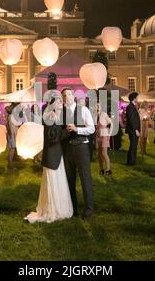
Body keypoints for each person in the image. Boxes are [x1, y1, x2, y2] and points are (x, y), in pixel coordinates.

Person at [25, 95, 73, 223]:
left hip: (56, 154)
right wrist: (67, 131)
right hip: (52, 155)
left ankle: (56, 207)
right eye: (57, 102)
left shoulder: (55, 116)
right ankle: (52, 209)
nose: (60, 104)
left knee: (57, 181)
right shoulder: (50, 116)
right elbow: (53, 138)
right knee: (52, 183)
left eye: (61, 102)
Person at [61, 88, 95, 220]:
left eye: (68, 94)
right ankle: (72, 209)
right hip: (67, 150)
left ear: (73, 96)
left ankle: (88, 209)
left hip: (81, 148)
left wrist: (77, 129)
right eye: (63, 95)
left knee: (85, 179)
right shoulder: (61, 113)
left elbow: (91, 128)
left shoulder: (83, 110)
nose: (66, 97)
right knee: (69, 180)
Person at [95, 100, 112, 176]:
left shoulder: (104, 114)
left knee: (104, 153)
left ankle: (108, 170)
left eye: (99, 106)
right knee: (98, 154)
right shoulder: (94, 115)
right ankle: (101, 169)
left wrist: (109, 135)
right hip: (97, 136)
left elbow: (111, 124)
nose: (97, 107)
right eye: (96, 106)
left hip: (104, 135)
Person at [125, 92, 140, 165]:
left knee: (134, 145)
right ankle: (131, 162)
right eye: (137, 97)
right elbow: (131, 119)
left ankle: (132, 160)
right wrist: (135, 129)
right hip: (133, 130)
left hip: (134, 129)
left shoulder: (133, 106)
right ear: (134, 98)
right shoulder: (130, 107)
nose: (138, 99)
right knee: (133, 145)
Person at [5, 102, 20, 170]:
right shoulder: (11, 117)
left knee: (12, 149)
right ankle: (10, 164)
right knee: (12, 149)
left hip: (13, 134)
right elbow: (11, 128)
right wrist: (12, 136)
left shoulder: (12, 116)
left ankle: (10, 163)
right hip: (12, 135)